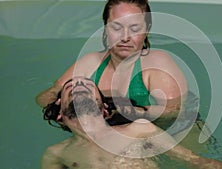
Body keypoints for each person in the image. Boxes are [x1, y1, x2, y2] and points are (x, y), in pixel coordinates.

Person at [36, 0, 189, 126]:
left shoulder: (157, 62)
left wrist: (125, 112)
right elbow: (46, 96)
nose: (125, 37)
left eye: (135, 28)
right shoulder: (90, 63)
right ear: (105, 28)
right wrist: (67, 111)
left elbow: (176, 111)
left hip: (171, 134)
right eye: (116, 27)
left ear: (147, 30)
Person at [41, 76, 222, 169]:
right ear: (59, 113)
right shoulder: (56, 153)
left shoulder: (140, 129)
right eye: (71, 86)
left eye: (88, 85)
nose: (80, 85)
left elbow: (195, 161)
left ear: (105, 110)